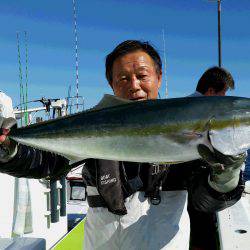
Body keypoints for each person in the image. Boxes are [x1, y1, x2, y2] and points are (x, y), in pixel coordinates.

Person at [0, 40, 246, 250]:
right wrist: (9, 150)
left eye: (142, 76)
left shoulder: (192, 138)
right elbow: (46, 162)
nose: (134, 85)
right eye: (124, 78)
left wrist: (225, 179)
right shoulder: (94, 123)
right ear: (112, 85)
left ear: (159, 78)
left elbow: (205, 203)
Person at [188, 66, 236, 250]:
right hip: (199, 193)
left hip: (175, 197)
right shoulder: (207, 115)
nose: (224, 101)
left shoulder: (183, 106)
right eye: (223, 94)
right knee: (202, 235)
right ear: (210, 92)